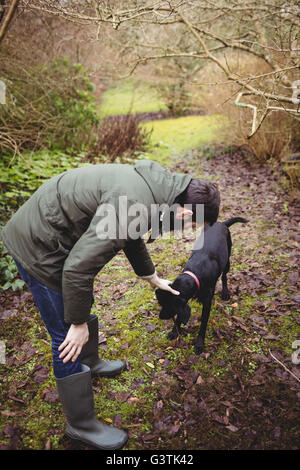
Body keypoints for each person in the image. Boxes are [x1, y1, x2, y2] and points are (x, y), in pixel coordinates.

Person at [1, 159, 220, 450]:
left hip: (56, 235)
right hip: (38, 245)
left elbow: (129, 233)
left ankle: (89, 362)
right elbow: (78, 269)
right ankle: (80, 424)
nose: (186, 228)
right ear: (183, 210)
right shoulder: (136, 203)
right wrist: (78, 324)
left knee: (78, 298)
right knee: (64, 333)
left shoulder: (156, 189)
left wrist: (151, 276)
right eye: (192, 224)